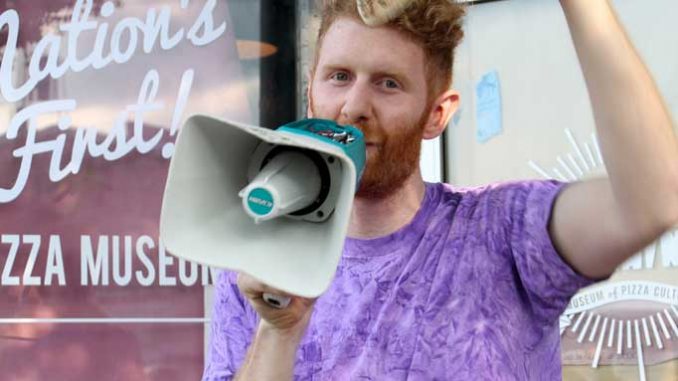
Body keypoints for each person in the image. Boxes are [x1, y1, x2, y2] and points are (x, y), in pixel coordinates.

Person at [202, 0, 678, 379]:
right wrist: (277, 332)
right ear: (311, 91)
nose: (352, 107)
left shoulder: (505, 231)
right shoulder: (257, 261)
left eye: (388, 84)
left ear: (438, 114)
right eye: (339, 77)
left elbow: (651, 203)